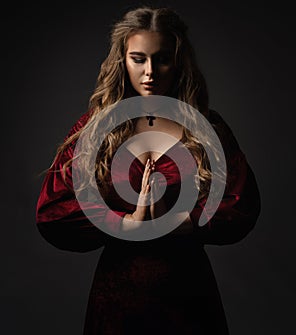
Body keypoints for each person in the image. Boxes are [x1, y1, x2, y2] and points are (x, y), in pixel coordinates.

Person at [36, 6, 261, 335]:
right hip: (118, 298)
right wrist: (128, 224)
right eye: (138, 58)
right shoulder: (96, 130)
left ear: (179, 61)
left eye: (162, 58)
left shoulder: (206, 129)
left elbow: (242, 205)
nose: (150, 71)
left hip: (189, 296)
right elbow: (52, 212)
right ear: (122, 60)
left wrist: (179, 223)